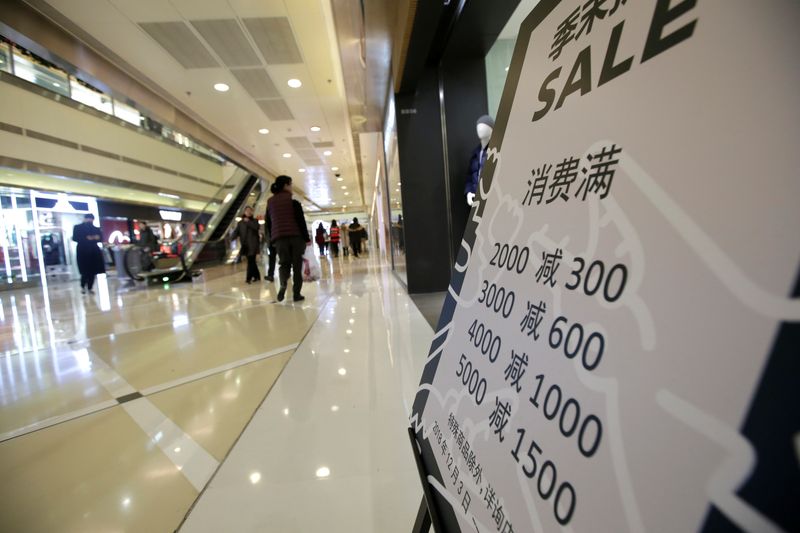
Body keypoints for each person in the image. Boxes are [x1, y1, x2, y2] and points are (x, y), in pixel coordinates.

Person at [265, 175, 311, 302]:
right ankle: (296, 294)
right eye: (290, 184)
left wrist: (271, 240)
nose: (291, 187)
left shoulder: (270, 202)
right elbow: (301, 222)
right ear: (285, 185)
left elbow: (269, 223)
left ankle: (283, 284)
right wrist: (307, 239)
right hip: (296, 238)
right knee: (297, 265)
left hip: (279, 239)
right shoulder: (293, 201)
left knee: (283, 264)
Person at [72, 213, 105, 294]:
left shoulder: (96, 228)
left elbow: (100, 238)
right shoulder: (78, 227)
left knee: (93, 270)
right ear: (85, 219)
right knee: (84, 270)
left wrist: (94, 238)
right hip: (82, 251)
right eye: (88, 218)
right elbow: (75, 238)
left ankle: (90, 287)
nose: (89, 220)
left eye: (91, 219)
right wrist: (86, 238)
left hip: (94, 251)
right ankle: (83, 286)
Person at [231, 206, 261, 284]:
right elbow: (236, 232)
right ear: (244, 212)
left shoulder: (255, 221)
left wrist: (248, 222)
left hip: (253, 245)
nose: (248, 212)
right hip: (245, 245)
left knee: (251, 261)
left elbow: (256, 227)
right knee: (252, 261)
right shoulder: (240, 223)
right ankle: (257, 276)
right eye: (246, 210)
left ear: (252, 212)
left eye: (249, 210)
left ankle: (248, 278)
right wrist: (231, 238)